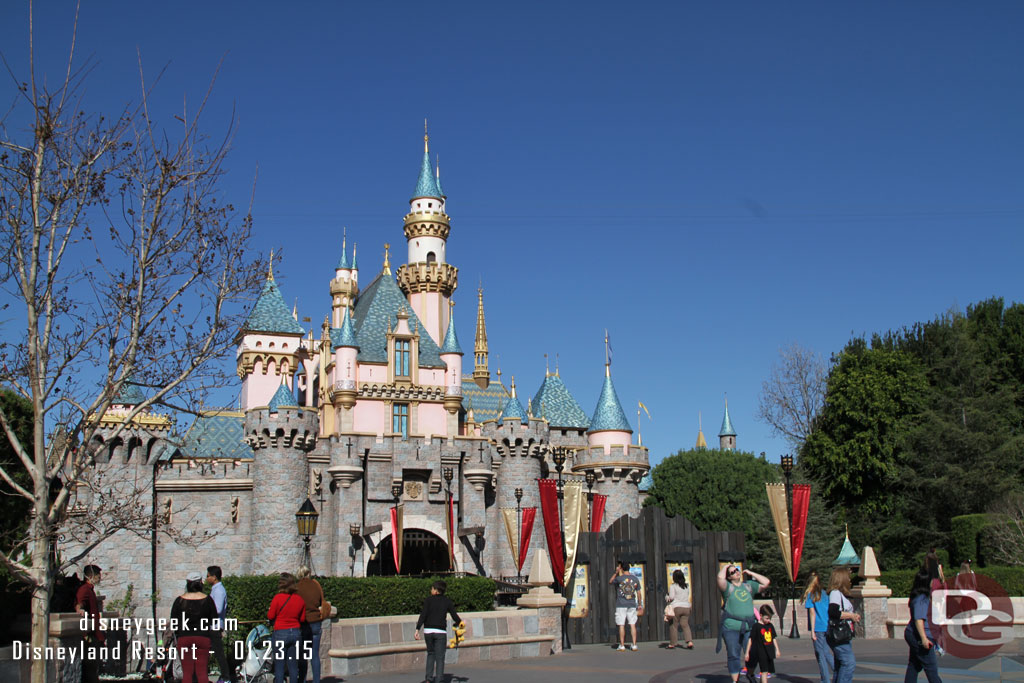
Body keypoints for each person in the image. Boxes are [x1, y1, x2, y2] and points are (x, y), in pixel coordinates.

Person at [716, 564, 770, 683]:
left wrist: (752, 573)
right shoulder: (727, 588)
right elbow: (720, 579)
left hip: (749, 627)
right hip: (731, 627)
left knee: (753, 653)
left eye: (737, 570)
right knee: (733, 654)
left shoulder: (749, 586)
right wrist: (726, 567)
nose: (736, 572)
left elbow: (766, 582)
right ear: (729, 577)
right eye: (732, 572)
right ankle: (736, 681)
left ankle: (750, 673)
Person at [171, 570, 218, 683]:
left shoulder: (179, 601)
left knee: (187, 674)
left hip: (184, 638)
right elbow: (214, 619)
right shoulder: (207, 600)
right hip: (202, 637)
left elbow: (174, 622)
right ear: (200, 583)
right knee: (202, 674)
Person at [414, 580, 462, 683]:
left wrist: (417, 629)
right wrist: (459, 623)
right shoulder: (447, 601)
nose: (431, 590)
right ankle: (439, 679)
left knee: (430, 654)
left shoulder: (428, 600)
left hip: (428, 631)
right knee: (440, 657)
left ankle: (428, 679)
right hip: (440, 632)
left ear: (436, 591)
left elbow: (423, 615)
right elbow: (454, 616)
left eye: (432, 588)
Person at [905, 569, 943, 682]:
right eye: (931, 580)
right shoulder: (921, 600)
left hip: (917, 634)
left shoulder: (922, 598)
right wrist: (924, 639)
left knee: (914, 665)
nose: (933, 582)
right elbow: (919, 620)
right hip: (920, 636)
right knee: (931, 667)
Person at [267, 572, 306, 683]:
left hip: (280, 633)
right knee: (293, 665)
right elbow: (302, 619)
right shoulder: (299, 599)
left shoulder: (278, 598)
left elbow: (270, 615)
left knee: (279, 666)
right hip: (295, 633)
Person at [827, 567, 861, 683]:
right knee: (848, 663)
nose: (850, 581)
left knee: (840, 665)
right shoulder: (835, 593)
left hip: (843, 635)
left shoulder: (839, 594)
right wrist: (851, 615)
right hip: (839, 635)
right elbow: (833, 612)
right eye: (848, 578)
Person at [802, 571, 834, 683]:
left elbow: (812, 613)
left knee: (820, 655)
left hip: (818, 627)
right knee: (826, 652)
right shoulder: (825, 594)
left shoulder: (811, 595)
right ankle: (837, 672)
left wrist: (812, 632)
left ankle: (825, 680)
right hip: (827, 626)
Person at [295, 566, 324, 683]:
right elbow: (321, 601)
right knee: (315, 655)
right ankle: (317, 681)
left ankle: (302, 680)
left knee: (303, 656)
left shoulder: (297, 587)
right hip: (316, 622)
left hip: (304, 623)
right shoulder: (316, 585)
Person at [75, 565, 103, 683]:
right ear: (90, 576)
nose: (99, 578)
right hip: (89, 636)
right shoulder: (85, 589)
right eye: (97, 576)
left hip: (95, 634)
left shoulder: (90, 590)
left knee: (94, 667)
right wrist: (79, 610)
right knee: (90, 667)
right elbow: (79, 603)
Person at [206, 565, 234, 683]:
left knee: (219, 653)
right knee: (215, 652)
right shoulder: (215, 589)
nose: (206, 578)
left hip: (215, 626)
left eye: (208, 576)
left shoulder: (219, 591)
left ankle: (226, 677)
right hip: (212, 625)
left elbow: (217, 609)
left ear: (214, 577)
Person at [610, 560, 643, 651]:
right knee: (632, 624)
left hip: (621, 604)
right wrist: (639, 604)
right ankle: (634, 644)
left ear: (621, 568)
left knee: (621, 624)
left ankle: (622, 645)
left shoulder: (619, 579)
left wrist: (616, 572)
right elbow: (639, 592)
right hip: (632, 603)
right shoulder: (635, 579)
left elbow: (610, 581)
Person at [744, 604, 780, 683]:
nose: (769, 620)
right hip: (758, 651)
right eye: (767, 618)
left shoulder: (770, 626)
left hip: (768, 652)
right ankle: (750, 675)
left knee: (765, 672)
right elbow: (751, 639)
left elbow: (773, 638)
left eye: (770, 618)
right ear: (761, 615)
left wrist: (777, 649)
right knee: (752, 667)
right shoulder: (756, 626)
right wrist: (747, 652)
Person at [665, 569, 693, 649]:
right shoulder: (687, 586)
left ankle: (673, 643)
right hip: (686, 607)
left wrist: (667, 596)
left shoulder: (673, 586)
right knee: (685, 625)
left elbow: (671, 597)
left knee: (673, 625)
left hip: (677, 607)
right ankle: (689, 641)